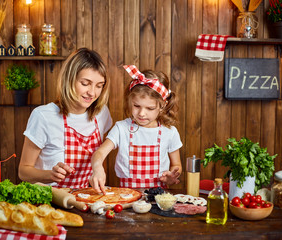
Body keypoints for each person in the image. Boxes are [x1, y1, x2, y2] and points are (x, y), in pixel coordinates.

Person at [18, 48, 113, 188]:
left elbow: (99, 155)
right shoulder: (43, 116)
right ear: (69, 79)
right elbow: (23, 171)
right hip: (50, 203)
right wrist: (50, 175)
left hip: (84, 200)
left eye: (99, 86)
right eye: (85, 83)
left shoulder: (102, 113)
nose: (92, 93)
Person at [90, 65, 182, 194]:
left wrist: (171, 177)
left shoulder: (170, 132)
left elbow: (176, 164)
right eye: (137, 106)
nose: (142, 113)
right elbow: (99, 153)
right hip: (127, 198)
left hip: (159, 200)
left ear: (162, 106)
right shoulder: (121, 129)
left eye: (149, 108)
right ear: (130, 101)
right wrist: (97, 167)